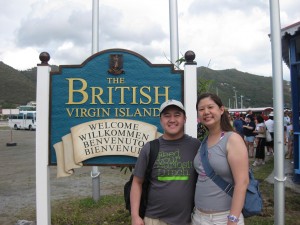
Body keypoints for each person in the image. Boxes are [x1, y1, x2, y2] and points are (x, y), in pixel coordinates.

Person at [130, 99, 201, 225]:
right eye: (167, 116)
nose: (172, 120)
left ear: (184, 119)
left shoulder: (196, 146)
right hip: (155, 220)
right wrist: (135, 216)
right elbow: (137, 182)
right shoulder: (150, 148)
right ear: (161, 120)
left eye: (177, 115)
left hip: (187, 220)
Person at [192, 93, 249, 225]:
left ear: (221, 110)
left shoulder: (232, 139)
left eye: (210, 107)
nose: (206, 112)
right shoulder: (204, 142)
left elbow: (242, 182)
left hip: (223, 218)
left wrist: (233, 219)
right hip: (199, 217)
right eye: (201, 109)